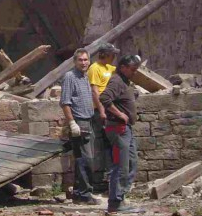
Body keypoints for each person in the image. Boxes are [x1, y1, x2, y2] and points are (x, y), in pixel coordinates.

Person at [59, 48, 105, 205]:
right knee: (86, 160)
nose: (84, 63)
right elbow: (65, 103)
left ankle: (79, 194)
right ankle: (85, 194)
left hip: (88, 120)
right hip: (79, 122)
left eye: (86, 60)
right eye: (80, 60)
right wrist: (72, 123)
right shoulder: (70, 77)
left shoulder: (85, 76)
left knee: (81, 160)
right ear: (74, 61)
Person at [99, 55, 143, 213]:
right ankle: (115, 203)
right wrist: (120, 114)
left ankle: (121, 198)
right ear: (123, 67)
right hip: (118, 129)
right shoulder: (117, 80)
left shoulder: (124, 81)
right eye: (132, 69)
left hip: (126, 130)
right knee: (121, 165)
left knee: (131, 162)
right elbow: (104, 97)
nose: (134, 72)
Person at [86, 43, 119, 179]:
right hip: (100, 110)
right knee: (105, 143)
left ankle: (113, 174)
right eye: (112, 54)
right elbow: (95, 92)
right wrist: (102, 111)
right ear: (104, 55)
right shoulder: (94, 68)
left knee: (113, 142)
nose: (114, 57)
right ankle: (105, 175)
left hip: (109, 107)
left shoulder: (109, 68)